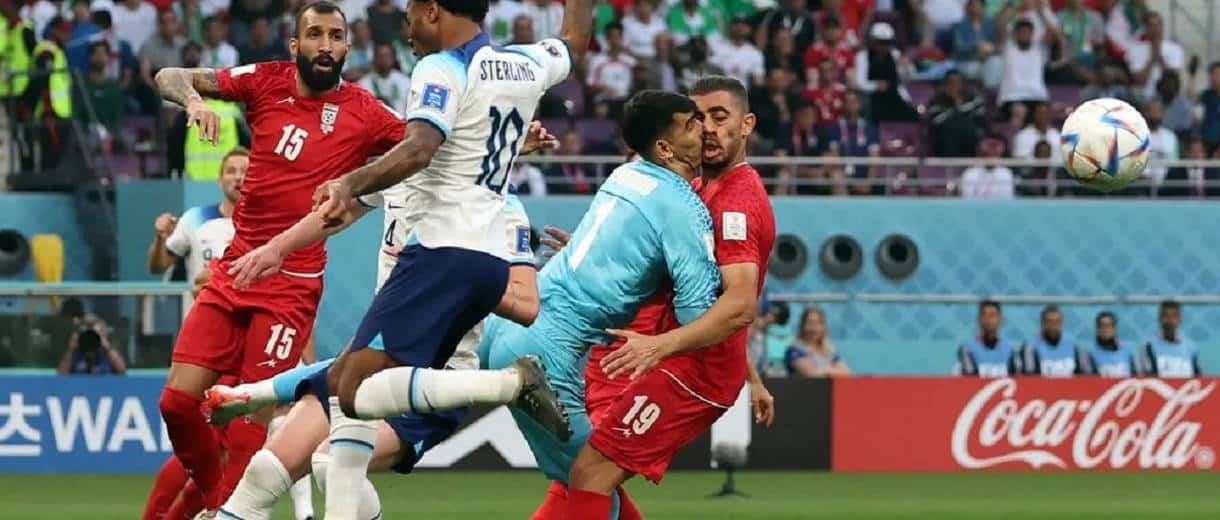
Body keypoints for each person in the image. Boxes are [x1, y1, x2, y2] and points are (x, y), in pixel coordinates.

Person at [223, 0, 595, 516]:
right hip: (470, 265)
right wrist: (276, 250)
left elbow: (418, 146)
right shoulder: (524, 63)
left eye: (413, 15)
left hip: (444, 259)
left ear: (433, 11)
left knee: (352, 394)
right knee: (319, 423)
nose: (407, 29)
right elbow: (573, 43)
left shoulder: (441, 71)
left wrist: (349, 177)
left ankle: (509, 383)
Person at [147, 3, 415, 516]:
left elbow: (426, 146)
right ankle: (212, 499)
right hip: (235, 268)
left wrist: (517, 147)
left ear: (346, 47)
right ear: (295, 46)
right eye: (314, 34)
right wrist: (193, 103)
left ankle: (220, 511)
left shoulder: (364, 110)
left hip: (291, 285)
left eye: (336, 36)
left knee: (246, 424)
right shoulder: (265, 81)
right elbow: (169, 75)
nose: (325, 44)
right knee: (177, 405)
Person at [207, 189, 547, 520]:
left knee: (331, 465)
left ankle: (510, 384)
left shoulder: (500, 205)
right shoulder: (401, 168)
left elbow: (526, 303)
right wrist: (276, 248)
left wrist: (442, 278)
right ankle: (510, 384)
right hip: (370, 357)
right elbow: (339, 211)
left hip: (438, 372)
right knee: (263, 474)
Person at [564, 81, 776, 519]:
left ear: (746, 125)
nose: (708, 129)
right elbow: (707, 291)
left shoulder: (734, 203)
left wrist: (659, 347)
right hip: (685, 357)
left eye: (720, 116)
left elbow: (739, 306)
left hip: (694, 370)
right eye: (698, 119)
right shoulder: (700, 189)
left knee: (591, 471)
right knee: (590, 468)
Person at [148, 147, 247, 286]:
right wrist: (160, 238)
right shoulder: (193, 218)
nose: (238, 177)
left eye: (245, 172)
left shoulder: (266, 225)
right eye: (231, 171)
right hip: (202, 306)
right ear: (220, 181)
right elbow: (158, 267)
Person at [167, 41, 252, 180]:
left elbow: (174, 150)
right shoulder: (231, 111)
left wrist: (176, 171)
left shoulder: (188, 112)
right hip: (227, 181)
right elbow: (249, 146)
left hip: (195, 185)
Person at [1125, 11, 1184, 101]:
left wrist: (1160, 59)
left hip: (1167, 97)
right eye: (1151, 25)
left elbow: (1174, 79)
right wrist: (1152, 59)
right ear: (1146, 28)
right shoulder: (1135, 49)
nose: (1155, 29)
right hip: (1143, 97)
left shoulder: (1175, 49)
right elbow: (1140, 81)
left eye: (1158, 25)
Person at [927, 69, 985, 158]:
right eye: (951, 82)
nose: (955, 85)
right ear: (945, 84)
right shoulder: (936, 101)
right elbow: (936, 121)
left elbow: (980, 120)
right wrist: (956, 107)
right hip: (946, 140)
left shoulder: (975, 100)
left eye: (958, 82)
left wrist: (957, 108)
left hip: (969, 137)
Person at [956, 300, 1021, 377]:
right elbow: (970, 379)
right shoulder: (967, 349)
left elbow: (1018, 379)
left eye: (992, 315)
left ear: (1001, 320)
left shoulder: (1011, 349)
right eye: (984, 315)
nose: (988, 320)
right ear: (978, 319)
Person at [1140, 300, 1200, 377]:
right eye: (1165, 316)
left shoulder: (1191, 347)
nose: (1170, 320)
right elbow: (1148, 378)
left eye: (1174, 316)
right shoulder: (1149, 346)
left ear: (1180, 319)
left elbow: (1198, 378)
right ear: (1159, 318)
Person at [784, 306, 849, 377]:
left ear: (823, 327)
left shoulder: (828, 350)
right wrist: (831, 370)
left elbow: (846, 373)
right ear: (802, 326)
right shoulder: (794, 350)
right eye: (810, 323)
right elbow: (812, 374)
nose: (814, 328)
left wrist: (826, 370)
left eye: (818, 323)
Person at [1020, 305, 1083, 377]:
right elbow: (1030, 376)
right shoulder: (1030, 347)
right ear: (1042, 323)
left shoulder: (1073, 345)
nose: (1053, 325)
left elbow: (1085, 374)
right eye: (1049, 321)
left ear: (1062, 322)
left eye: (1057, 321)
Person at [57, 315, 127, 375]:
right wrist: (71, 349)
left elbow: (122, 371)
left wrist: (107, 346)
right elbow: (62, 374)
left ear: (104, 334)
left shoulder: (109, 353)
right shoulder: (76, 353)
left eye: (95, 334)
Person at [1079, 311, 1140, 377]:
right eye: (1102, 326)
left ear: (1115, 328)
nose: (1106, 329)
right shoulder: (1090, 354)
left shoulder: (1128, 351)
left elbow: (1137, 376)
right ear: (1097, 330)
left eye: (1109, 325)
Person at [358, 42, 410, 115]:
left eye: (387, 55)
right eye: (380, 56)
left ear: (394, 58)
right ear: (374, 58)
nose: (384, 59)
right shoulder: (363, 84)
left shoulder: (405, 81)